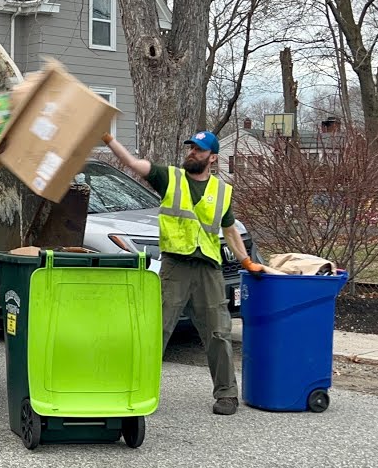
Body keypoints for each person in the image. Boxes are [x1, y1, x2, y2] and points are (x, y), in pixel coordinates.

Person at [101, 129, 265, 415]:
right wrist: (109, 139)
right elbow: (132, 162)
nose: (192, 152)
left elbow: (230, 230)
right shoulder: (170, 178)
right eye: (190, 147)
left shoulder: (221, 191)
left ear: (212, 158)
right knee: (156, 330)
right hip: (175, 267)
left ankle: (226, 394)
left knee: (218, 332)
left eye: (199, 150)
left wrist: (246, 261)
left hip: (208, 269)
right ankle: (137, 391)